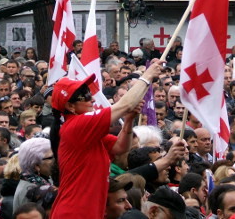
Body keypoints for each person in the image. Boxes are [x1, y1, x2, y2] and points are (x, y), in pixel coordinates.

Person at [49, 60, 163, 218]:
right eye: (86, 96)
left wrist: (129, 121)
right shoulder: (76, 126)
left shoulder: (86, 133)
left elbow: (120, 147)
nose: (93, 100)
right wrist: (147, 75)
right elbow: (125, 104)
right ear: (70, 107)